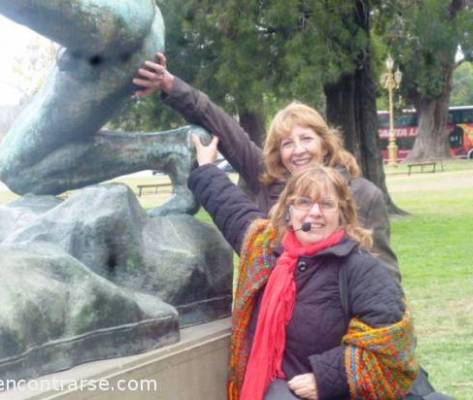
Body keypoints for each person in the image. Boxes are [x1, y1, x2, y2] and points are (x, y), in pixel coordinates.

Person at [187, 136, 418, 400]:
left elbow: (393, 351)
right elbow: (231, 209)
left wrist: (327, 379)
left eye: (327, 204)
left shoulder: (362, 269)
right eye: (304, 202)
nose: (315, 213)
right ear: (288, 210)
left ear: (342, 214)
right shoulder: (267, 249)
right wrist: (207, 167)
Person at [133, 53, 400, 281]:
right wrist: (170, 84)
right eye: (287, 143)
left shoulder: (364, 195)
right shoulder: (269, 179)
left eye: (306, 139)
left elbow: (385, 275)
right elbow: (225, 128)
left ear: (325, 143)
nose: (298, 151)